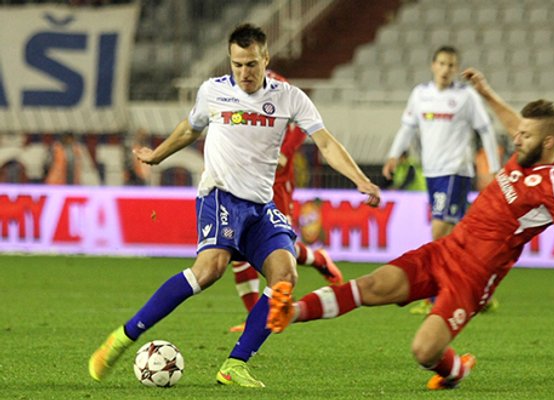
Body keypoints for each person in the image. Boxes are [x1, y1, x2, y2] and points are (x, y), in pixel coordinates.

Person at [266, 69, 554, 390]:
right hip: (446, 250)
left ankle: (455, 370)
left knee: (424, 351)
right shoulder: (525, 152)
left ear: (548, 142)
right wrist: (486, 93)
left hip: (472, 278)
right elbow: (515, 122)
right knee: (371, 285)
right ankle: (290, 312)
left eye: (526, 136)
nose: (516, 138)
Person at [88, 23, 381, 387]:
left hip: (261, 204)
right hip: (220, 194)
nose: (244, 72)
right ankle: (123, 337)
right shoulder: (213, 92)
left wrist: (359, 179)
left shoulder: (289, 97)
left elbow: (325, 143)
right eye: (237, 64)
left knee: (285, 274)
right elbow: (190, 128)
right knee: (210, 269)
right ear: (231, 61)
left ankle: (235, 364)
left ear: (266, 59)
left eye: (251, 64)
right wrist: (157, 155)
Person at [381, 46, 501, 315]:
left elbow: (485, 129)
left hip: (455, 170)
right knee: (460, 237)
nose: (446, 69)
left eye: (451, 65)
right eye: (442, 63)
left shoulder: (465, 96)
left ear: (456, 69)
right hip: (432, 172)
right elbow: (408, 127)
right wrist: (393, 155)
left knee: (439, 232)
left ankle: (436, 296)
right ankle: (479, 291)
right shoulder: (420, 94)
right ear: (433, 65)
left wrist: (493, 168)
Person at [228, 70, 343, 333]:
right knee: (237, 243)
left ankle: (318, 259)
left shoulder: (280, 86)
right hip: (245, 177)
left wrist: (284, 152)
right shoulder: (234, 85)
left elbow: (304, 124)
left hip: (276, 180)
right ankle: (254, 318)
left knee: (280, 244)